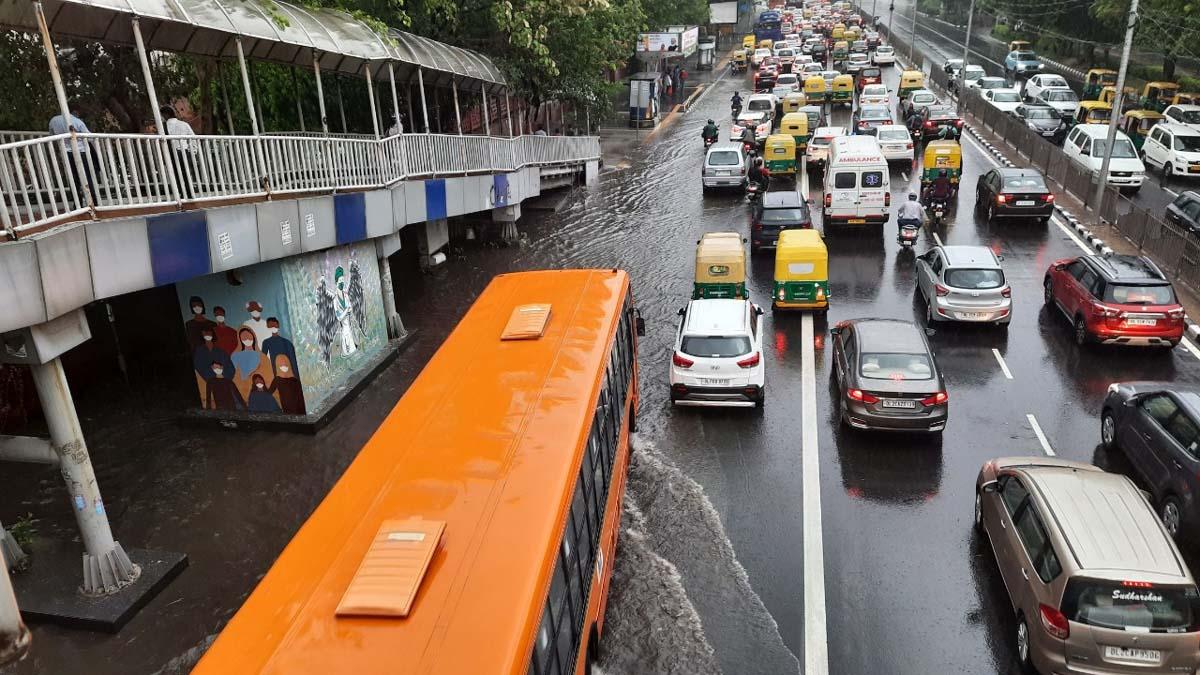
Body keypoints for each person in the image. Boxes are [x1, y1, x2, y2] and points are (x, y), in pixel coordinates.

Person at [48, 109, 96, 205]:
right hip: (81, 151)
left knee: (73, 177)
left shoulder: (54, 121)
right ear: (75, 113)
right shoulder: (77, 122)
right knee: (87, 177)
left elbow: (51, 134)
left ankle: (77, 203)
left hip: (65, 152)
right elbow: (90, 137)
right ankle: (93, 201)